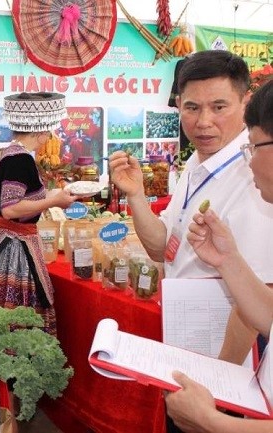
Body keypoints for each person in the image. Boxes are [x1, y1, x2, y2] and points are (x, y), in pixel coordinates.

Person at [108, 50, 273, 432]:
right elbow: (163, 246)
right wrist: (135, 196)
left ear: (246, 104)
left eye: (219, 107)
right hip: (192, 352)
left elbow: (256, 304)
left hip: (228, 370)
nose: (204, 122)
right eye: (192, 108)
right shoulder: (196, 164)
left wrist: (215, 389)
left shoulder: (255, 180)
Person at [165, 79, 273, 433]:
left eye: (253, 147)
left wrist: (211, 420)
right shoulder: (194, 164)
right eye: (192, 107)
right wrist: (227, 260)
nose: (250, 161)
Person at [0, 92, 76, 337]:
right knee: (13, 319)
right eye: (49, 130)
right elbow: (11, 208)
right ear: (39, 130)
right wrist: (54, 200)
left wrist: (51, 195)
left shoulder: (12, 153)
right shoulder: (20, 158)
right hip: (12, 248)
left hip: (6, 240)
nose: (49, 136)